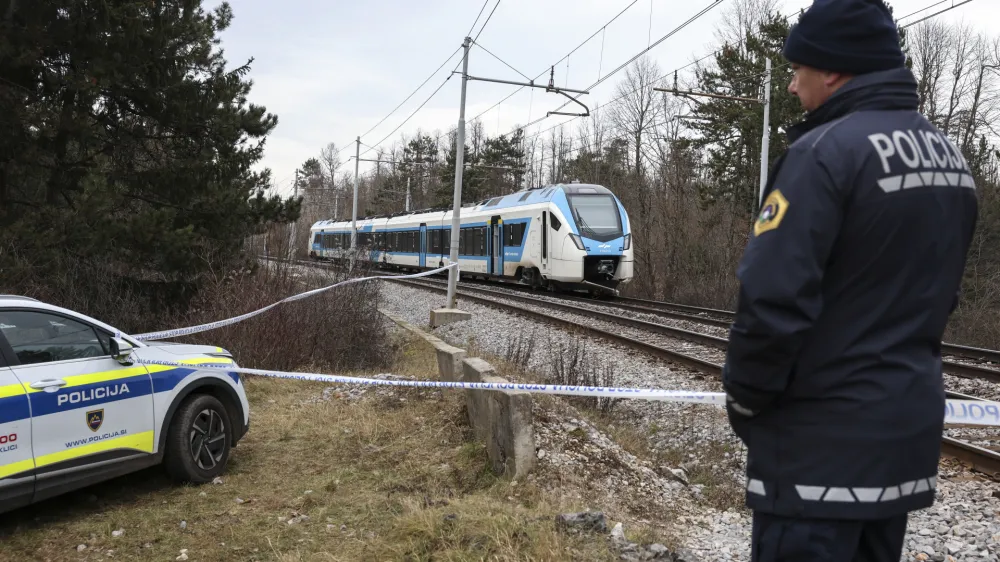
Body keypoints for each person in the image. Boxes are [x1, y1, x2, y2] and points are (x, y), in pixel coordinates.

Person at [721, 0, 979, 560]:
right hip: (902, 444)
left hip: (817, 457)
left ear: (833, 71)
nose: (791, 86)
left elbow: (770, 301)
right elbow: (939, 297)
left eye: (797, 70)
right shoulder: (950, 160)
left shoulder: (821, 155)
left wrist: (744, 402)